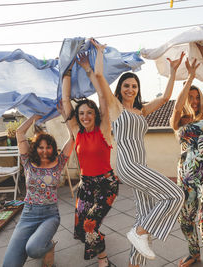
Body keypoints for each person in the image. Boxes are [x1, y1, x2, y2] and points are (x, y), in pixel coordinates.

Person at [91, 39, 185, 267]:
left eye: (134, 86)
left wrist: (173, 72)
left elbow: (164, 99)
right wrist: (99, 54)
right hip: (128, 165)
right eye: (126, 86)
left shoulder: (141, 111)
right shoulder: (116, 107)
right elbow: (100, 78)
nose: (130, 89)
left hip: (140, 165)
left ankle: (136, 261)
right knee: (175, 195)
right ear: (120, 89)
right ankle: (139, 231)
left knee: (145, 214)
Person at [62, 52, 119, 267]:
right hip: (86, 186)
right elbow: (66, 100)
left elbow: (103, 97)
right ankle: (95, 235)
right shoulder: (77, 132)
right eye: (82, 113)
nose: (85, 116)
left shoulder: (104, 130)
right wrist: (65, 72)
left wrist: (87, 67)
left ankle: (102, 258)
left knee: (89, 225)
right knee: (79, 229)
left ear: (95, 115)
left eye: (89, 113)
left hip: (106, 185)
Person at [170, 43, 203, 267]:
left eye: (197, 97)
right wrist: (189, 78)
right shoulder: (179, 121)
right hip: (186, 177)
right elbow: (176, 109)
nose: (193, 101)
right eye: (189, 96)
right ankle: (194, 253)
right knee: (185, 221)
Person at [3, 111, 74, 267]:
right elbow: (20, 132)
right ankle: (42, 241)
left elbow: (73, 137)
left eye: (48, 147)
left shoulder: (59, 162)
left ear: (53, 148)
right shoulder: (27, 161)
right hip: (28, 214)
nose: (44, 150)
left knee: (34, 250)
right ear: (35, 148)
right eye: (40, 147)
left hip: (50, 215)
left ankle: (48, 245)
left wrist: (64, 115)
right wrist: (34, 117)